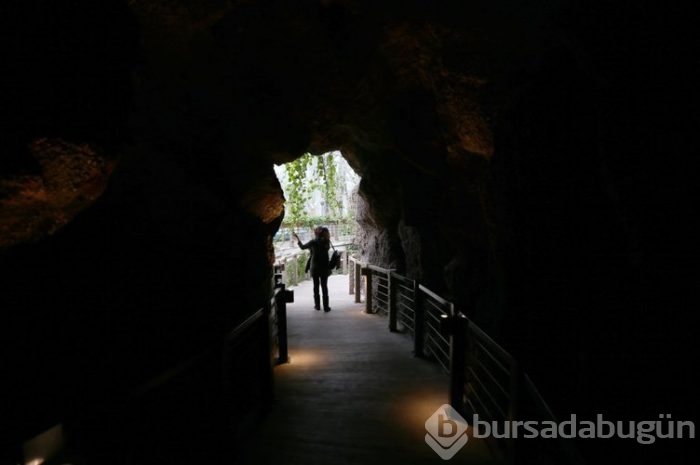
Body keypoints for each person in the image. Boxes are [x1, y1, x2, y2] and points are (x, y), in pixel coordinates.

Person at [293, 227, 332, 312]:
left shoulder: (313, 242)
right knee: (324, 286)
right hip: (324, 267)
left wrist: (297, 239)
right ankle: (326, 307)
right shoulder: (327, 241)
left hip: (315, 268)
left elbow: (303, 247)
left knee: (316, 286)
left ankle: (317, 306)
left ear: (316, 233)